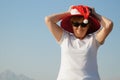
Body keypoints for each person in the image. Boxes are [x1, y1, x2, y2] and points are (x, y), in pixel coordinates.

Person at [45, 5, 113, 80]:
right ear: (72, 25)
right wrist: (69, 13)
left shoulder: (94, 40)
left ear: (88, 25)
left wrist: (94, 14)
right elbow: (48, 20)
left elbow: (109, 24)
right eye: (76, 24)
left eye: (84, 24)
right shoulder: (65, 38)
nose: (79, 28)